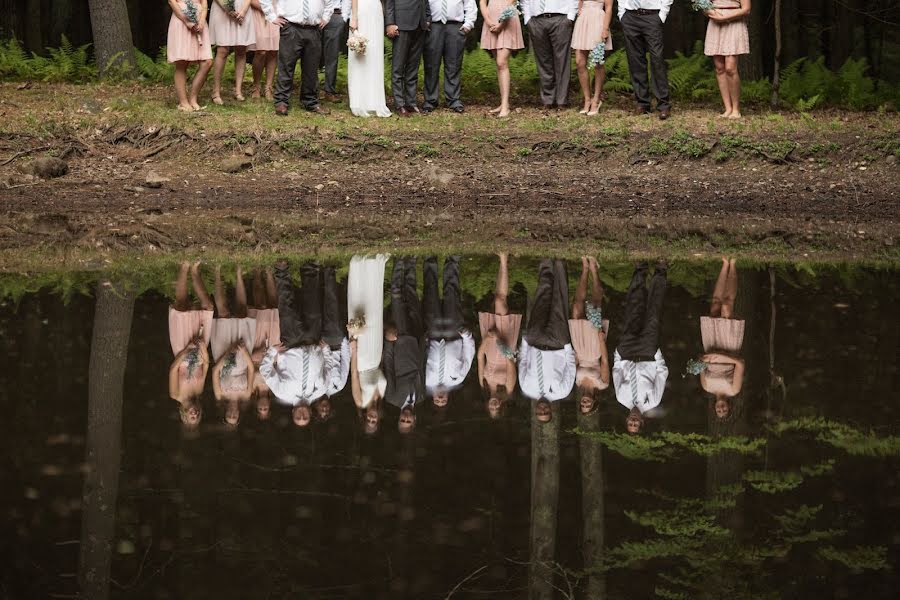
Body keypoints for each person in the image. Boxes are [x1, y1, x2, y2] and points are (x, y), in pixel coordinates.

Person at [258, 261, 342, 427]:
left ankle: (282, 271)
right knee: (313, 309)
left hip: (291, 344)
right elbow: (329, 369)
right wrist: (325, 351)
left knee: (287, 309)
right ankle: (309, 269)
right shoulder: (321, 390)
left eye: (298, 418)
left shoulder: (282, 393)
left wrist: (272, 353)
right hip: (313, 343)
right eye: (305, 418)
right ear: (311, 413)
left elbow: (266, 372)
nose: (302, 415)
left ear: (293, 413)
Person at [612, 262, 668, 434]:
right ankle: (660, 270)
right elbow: (662, 374)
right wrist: (656, 354)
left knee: (633, 312)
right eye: (636, 425)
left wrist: (618, 356)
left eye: (630, 424)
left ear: (627, 419)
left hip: (627, 352)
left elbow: (617, 372)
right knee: (653, 315)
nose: (634, 422)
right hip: (647, 353)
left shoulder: (621, 398)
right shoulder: (653, 401)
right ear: (642, 422)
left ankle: (640, 270)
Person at [518, 259, 576, 422]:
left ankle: (546, 262)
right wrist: (567, 346)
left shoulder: (526, 388)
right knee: (560, 302)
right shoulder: (562, 392)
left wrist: (525, 342)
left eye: (540, 413)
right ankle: (559, 263)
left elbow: (522, 363)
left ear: (535, 411)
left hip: (534, 341)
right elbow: (571, 369)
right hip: (557, 343)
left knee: (541, 299)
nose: (542, 410)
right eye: (546, 413)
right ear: (551, 410)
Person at [260, 0, 332, 116]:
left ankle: (310, 101)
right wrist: (271, 16)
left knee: (311, 68)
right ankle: (281, 101)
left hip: (314, 28)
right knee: (286, 65)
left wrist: (326, 16)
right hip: (291, 27)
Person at [423, 255, 475, 407]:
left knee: (430, 296)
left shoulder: (425, 380)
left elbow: (420, 357)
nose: (440, 398)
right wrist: (467, 336)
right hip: (454, 334)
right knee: (452, 295)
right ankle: (453, 261)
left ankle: (430, 259)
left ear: (433, 398)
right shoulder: (458, 379)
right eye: (443, 400)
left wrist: (423, 341)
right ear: (448, 398)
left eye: (437, 400)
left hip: (433, 335)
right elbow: (468, 356)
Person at [209, 265, 257, 427]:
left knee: (222, 313)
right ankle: (238, 273)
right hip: (244, 358)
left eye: (229, 415)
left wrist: (228, 353)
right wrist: (243, 352)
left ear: (225, 413)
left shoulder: (219, 394)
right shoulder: (246, 395)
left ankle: (217, 271)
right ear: (238, 414)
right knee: (242, 313)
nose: (232, 413)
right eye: (234, 416)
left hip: (223, 355)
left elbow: (215, 370)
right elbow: (251, 370)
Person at [168, 261, 214, 428]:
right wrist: (202, 348)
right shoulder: (199, 391)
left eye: (191, 417)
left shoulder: (175, 394)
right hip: (201, 349)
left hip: (182, 349)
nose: (195, 413)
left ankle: (184, 266)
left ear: (184, 414)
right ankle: (195, 271)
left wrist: (187, 349)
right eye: (198, 415)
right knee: (208, 307)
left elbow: (173, 368)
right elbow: (206, 366)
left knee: (182, 307)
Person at [477, 252, 521, 419]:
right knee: (500, 302)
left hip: (488, 343)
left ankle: (503, 260)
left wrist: (487, 339)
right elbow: (511, 360)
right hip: (505, 345)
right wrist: (497, 339)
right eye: (496, 408)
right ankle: (503, 259)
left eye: (491, 408)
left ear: (487, 405)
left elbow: (480, 357)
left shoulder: (484, 384)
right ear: (501, 406)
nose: (493, 406)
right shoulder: (508, 388)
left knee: (497, 299)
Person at [699, 258, 745, 420]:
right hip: (729, 347)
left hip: (711, 346)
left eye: (718, 411)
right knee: (727, 306)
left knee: (715, 306)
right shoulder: (734, 390)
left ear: (714, 408)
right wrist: (721, 357)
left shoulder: (706, 387)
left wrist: (703, 359)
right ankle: (733, 264)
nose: (721, 409)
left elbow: (700, 364)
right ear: (729, 407)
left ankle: (725, 264)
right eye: (724, 411)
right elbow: (740, 363)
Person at [384, 257, 425, 433]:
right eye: (408, 421)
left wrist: (389, 342)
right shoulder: (422, 396)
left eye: (403, 420)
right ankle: (411, 263)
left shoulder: (392, 398)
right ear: (415, 419)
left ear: (399, 417)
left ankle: (399, 262)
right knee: (413, 299)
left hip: (399, 342)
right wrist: (425, 342)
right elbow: (422, 367)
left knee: (397, 297)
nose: (406, 418)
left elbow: (389, 368)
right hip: (417, 341)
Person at [347, 255, 390, 417]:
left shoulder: (360, 401)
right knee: (374, 313)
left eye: (369, 420)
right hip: (376, 354)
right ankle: (374, 266)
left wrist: (354, 350)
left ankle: (359, 266)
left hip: (363, 359)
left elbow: (354, 376)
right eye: (375, 421)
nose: (372, 418)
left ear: (364, 417)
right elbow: (381, 370)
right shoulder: (382, 395)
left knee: (359, 312)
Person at [568, 257, 610, 415]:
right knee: (595, 305)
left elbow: (576, 362)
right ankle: (594, 269)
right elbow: (605, 361)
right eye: (588, 405)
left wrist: (575, 352)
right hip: (594, 349)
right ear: (594, 402)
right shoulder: (602, 384)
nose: (585, 403)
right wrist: (601, 341)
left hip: (579, 347)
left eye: (583, 405)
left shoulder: (577, 382)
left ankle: (585, 268)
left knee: (576, 307)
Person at [618, 0, 673, 119]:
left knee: (657, 59)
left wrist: (662, 15)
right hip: (630, 16)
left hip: (652, 16)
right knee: (635, 60)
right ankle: (642, 102)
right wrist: (621, 13)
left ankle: (663, 104)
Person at [422, 0, 477, 113]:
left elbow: (470, 4)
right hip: (433, 27)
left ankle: (453, 100)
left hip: (455, 27)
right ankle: (430, 100)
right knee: (431, 65)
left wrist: (468, 24)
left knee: (454, 64)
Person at [522, 0, 578, 109]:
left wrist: (570, 16)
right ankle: (548, 100)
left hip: (560, 18)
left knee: (562, 60)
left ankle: (562, 100)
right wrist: (527, 18)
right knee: (543, 61)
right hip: (536, 19)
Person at [344, 0, 392, 116]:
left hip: (376, 10)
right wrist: (354, 17)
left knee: (374, 55)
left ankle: (374, 101)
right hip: (362, 10)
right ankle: (358, 101)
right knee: (360, 55)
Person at [704, 0, 751, 119]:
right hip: (715, 23)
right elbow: (703, 4)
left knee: (730, 68)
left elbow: (746, 9)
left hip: (734, 24)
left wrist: (726, 17)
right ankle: (728, 108)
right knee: (720, 68)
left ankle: (736, 109)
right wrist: (712, 13)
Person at [385, 0, 432, 116]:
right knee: (398, 67)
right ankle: (399, 104)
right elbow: (390, 3)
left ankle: (411, 102)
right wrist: (390, 23)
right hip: (401, 25)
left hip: (420, 26)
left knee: (413, 68)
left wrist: (427, 19)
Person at [478, 0, 524, 118]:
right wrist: (488, 21)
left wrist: (501, 23)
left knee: (501, 62)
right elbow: (482, 2)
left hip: (507, 21)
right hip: (491, 20)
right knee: (499, 65)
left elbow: (512, 3)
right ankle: (503, 102)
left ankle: (505, 106)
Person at [167, 0, 214, 112]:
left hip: (199, 21)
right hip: (181, 21)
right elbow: (172, 1)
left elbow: (204, 3)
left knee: (207, 62)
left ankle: (193, 98)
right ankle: (183, 102)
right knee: (182, 62)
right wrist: (186, 20)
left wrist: (202, 20)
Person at [209, 0, 257, 104]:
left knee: (241, 50)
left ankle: (238, 90)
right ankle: (216, 91)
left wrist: (243, 11)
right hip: (222, 8)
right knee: (222, 50)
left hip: (242, 8)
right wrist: (228, 8)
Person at [248, 267, 280, 419]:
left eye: (260, 408)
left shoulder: (251, 388)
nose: (263, 406)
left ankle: (256, 275)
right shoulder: (275, 388)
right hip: (273, 349)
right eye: (265, 408)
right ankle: (268, 273)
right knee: (274, 308)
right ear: (269, 405)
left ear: (256, 406)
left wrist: (257, 356)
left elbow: (248, 366)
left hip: (256, 347)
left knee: (260, 307)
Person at [571, 0, 613, 116]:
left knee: (597, 62)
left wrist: (605, 29)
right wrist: (579, 11)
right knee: (580, 62)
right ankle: (587, 99)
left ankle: (596, 100)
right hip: (584, 21)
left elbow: (608, 8)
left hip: (598, 21)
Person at [250, 0, 281, 100]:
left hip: (276, 13)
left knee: (273, 51)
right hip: (258, 13)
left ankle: (269, 87)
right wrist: (266, 9)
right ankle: (256, 86)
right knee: (261, 51)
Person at [321, 2, 348, 101]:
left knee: (332, 56)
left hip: (334, 16)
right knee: (310, 54)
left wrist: (343, 17)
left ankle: (329, 91)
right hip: (315, 16)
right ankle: (310, 91)